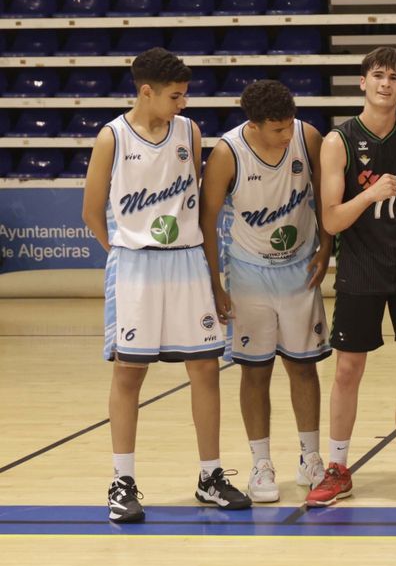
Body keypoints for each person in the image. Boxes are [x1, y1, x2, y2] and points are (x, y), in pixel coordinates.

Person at [82, 47, 250, 521]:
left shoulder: (189, 132)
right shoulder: (111, 138)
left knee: (204, 368)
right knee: (128, 374)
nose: (184, 102)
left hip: (187, 263)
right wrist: (122, 254)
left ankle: (210, 475)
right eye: (176, 95)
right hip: (137, 266)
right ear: (146, 92)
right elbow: (92, 212)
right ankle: (122, 482)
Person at [309, 47, 396, 506]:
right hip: (361, 270)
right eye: (378, 75)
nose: (386, 84)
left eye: (394, 78)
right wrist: (369, 195)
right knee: (347, 369)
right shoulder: (338, 141)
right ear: (363, 83)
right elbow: (331, 221)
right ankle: (338, 465)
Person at [199, 79, 331, 503]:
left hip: (299, 270)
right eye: (277, 128)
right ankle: (260, 463)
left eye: (290, 122)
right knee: (255, 371)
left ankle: (311, 457)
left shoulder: (308, 136)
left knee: (304, 366)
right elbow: (207, 219)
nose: (287, 132)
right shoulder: (227, 153)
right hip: (250, 273)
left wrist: (328, 244)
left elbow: (329, 195)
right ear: (252, 126)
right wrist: (215, 282)